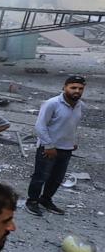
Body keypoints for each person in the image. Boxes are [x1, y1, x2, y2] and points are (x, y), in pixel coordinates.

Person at [25, 75, 87, 216]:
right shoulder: (52, 103)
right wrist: (48, 145)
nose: (76, 91)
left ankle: (46, 200)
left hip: (66, 148)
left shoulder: (80, 105)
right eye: (73, 88)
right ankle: (32, 201)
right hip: (48, 148)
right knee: (41, 176)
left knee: (57, 178)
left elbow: (73, 125)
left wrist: (73, 141)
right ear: (64, 88)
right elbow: (40, 126)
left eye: (80, 88)